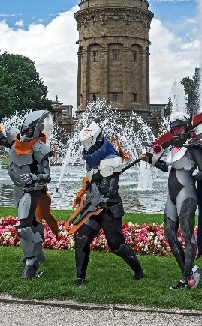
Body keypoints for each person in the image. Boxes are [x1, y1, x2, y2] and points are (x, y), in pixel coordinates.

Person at [66, 121, 143, 286]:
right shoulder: (92, 159)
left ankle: (138, 269)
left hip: (109, 209)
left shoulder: (113, 159)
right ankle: (80, 277)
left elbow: (109, 190)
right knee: (81, 238)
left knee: (116, 244)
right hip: (92, 207)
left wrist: (100, 174)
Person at [143, 112, 202, 289]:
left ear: (187, 128)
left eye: (179, 128)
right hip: (172, 195)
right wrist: (150, 159)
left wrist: (192, 178)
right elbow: (166, 168)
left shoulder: (193, 148)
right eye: (173, 129)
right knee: (169, 235)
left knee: (187, 235)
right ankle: (189, 273)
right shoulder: (173, 149)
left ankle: (184, 280)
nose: (176, 132)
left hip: (186, 194)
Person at [0, 110, 57, 279]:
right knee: (30, 221)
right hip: (18, 188)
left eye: (29, 130)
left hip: (32, 189)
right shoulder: (16, 141)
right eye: (24, 128)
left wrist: (34, 177)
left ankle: (31, 264)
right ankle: (37, 253)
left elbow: (47, 175)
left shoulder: (40, 148)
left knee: (24, 225)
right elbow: (1, 139)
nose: (25, 132)